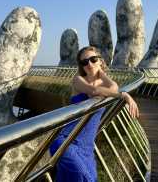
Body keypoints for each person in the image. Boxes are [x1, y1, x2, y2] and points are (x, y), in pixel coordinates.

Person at [50, 46, 139, 182]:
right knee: (85, 177)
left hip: (87, 146)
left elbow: (113, 87)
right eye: (84, 62)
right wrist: (123, 95)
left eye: (93, 59)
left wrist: (101, 72)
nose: (89, 64)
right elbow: (93, 91)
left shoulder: (106, 83)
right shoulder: (78, 80)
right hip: (66, 141)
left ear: (100, 61)